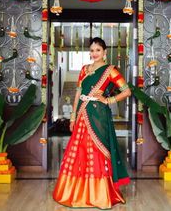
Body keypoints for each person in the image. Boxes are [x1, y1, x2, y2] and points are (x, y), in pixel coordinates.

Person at [53, 37, 132, 209]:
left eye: (98, 50)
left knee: (97, 151)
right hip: (82, 115)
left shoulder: (110, 70)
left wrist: (108, 100)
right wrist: (73, 116)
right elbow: (78, 93)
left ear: (104, 52)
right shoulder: (84, 69)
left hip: (98, 116)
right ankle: (77, 193)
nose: (94, 53)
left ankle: (100, 194)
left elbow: (127, 91)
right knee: (79, 151)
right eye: (92, 50)